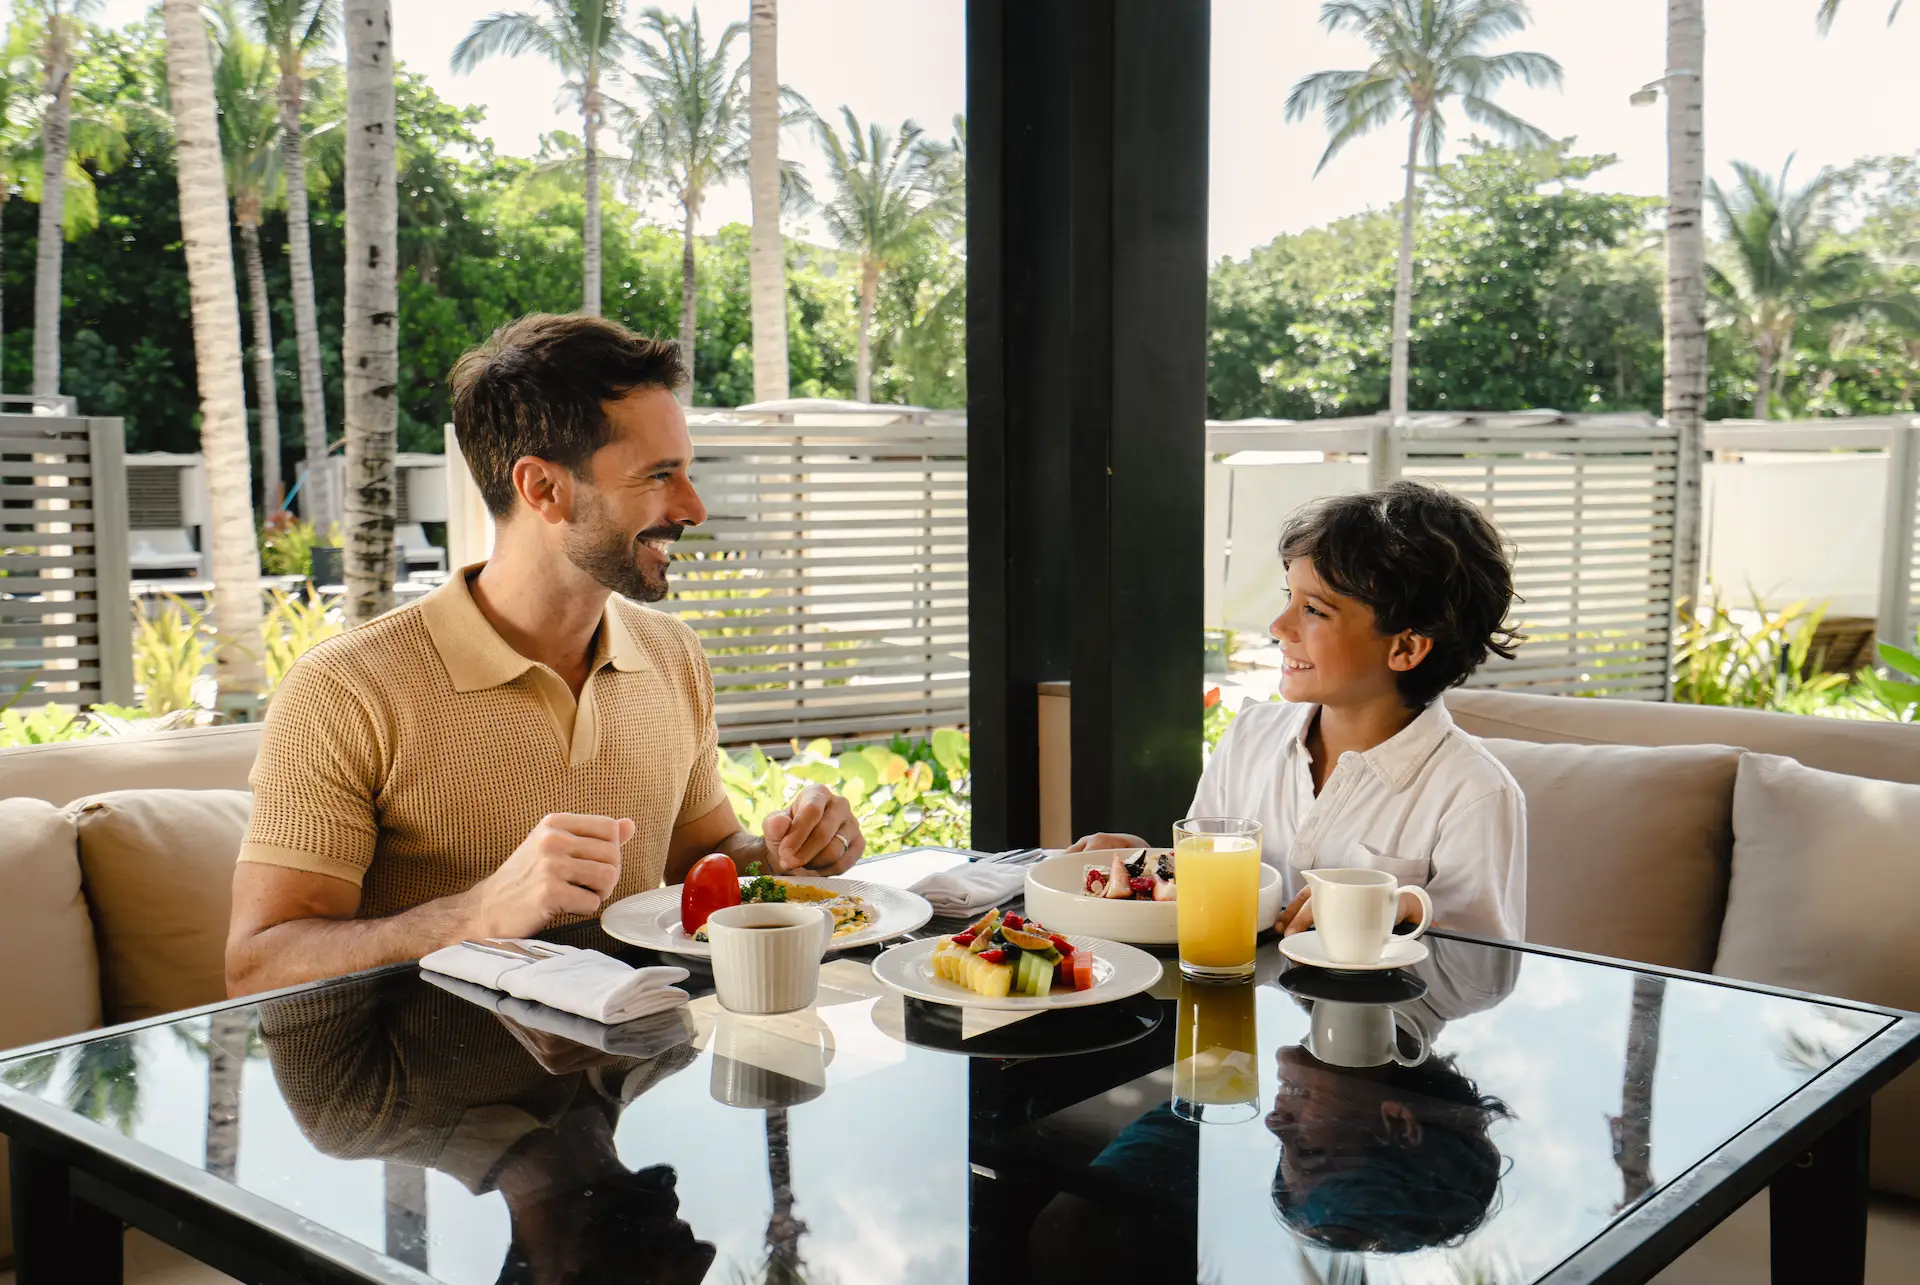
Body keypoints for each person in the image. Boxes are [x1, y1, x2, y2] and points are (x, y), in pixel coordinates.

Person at [227, 314, 866, 996]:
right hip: (429, 1093)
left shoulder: (674, 656)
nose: (693, 506)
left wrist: (778, 853)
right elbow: (257, 963)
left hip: (633, 1076)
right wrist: (474, 914)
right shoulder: (346, 689)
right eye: (660, 475)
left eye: (688, 472)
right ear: (542, 489)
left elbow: (698, 863)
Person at [1071, 481, 1528, 940]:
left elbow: (1483, 974)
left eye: (1314, 610)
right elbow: (1204, 885)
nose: (1278, 626)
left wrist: (1403, 908)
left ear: (1406, 647)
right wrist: (1143, 864)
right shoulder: (1251, 735)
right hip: (1241, 999)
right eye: (1287, 597)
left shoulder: (1475, 793)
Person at [258, 975, 714, 1285]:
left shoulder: (353, 1113)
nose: (704, 1257)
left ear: (560, 1278)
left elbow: (272, 970)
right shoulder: (677, 1045)